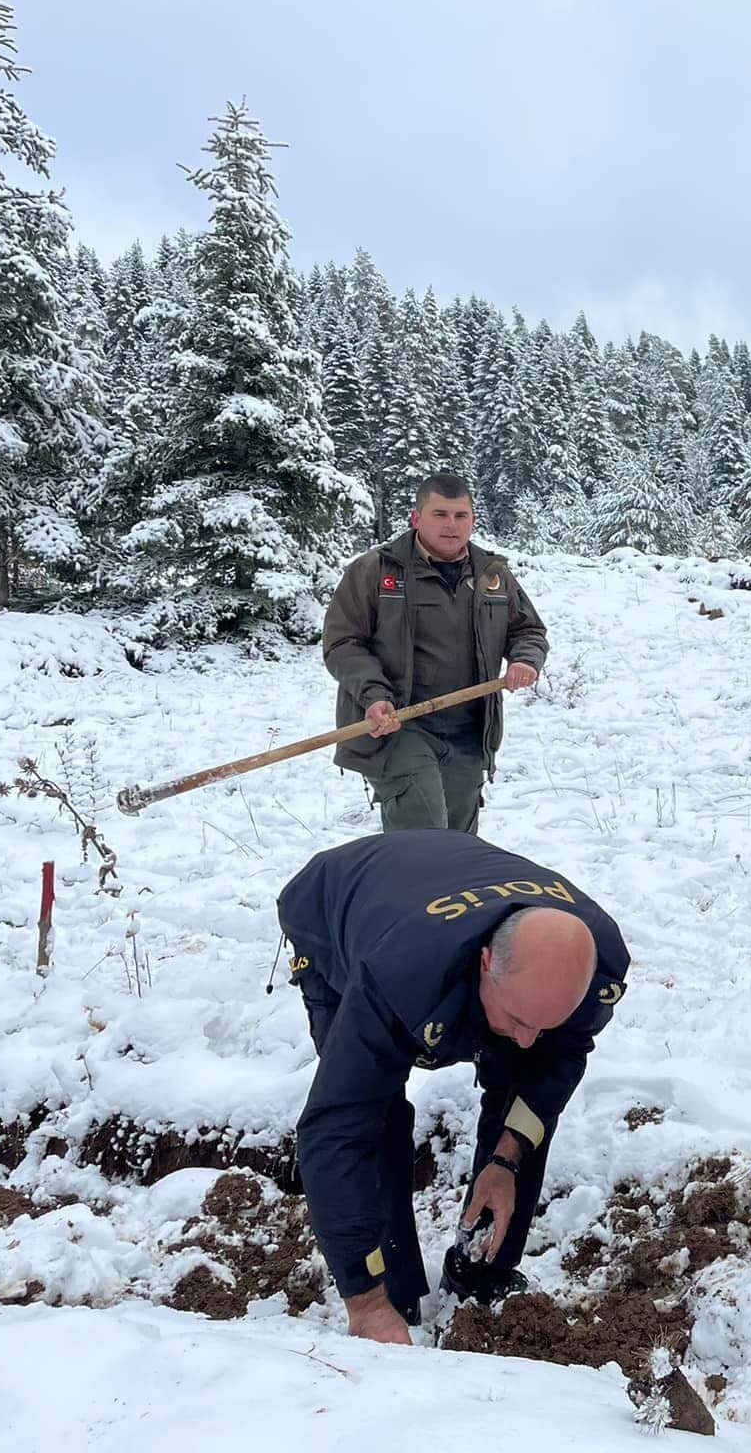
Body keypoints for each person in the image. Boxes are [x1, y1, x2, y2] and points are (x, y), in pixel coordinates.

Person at [278, 829, 630, 1342]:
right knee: (373, 1120)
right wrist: (365, 1299)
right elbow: (335, 1127)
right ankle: (389, 1293)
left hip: (441, 880)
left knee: (524, 1084)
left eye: (547, 1023)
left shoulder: (594, 966)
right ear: (486, 963)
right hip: (336, 904)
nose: (529, 1039)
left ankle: (480, 1270)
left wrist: (506, 1160)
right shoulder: (397, 975)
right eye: (518, 1017)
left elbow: (553, 1065)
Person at [322, 474, 548, 833]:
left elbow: (528, 630)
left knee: (459, 842)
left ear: (473, 520)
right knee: (422, 834)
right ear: (416, 518)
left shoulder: (493, 575)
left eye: (461, 516)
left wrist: (525, 659)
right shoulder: (375, 571)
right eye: (440, 514)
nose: (451, 525)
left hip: (470, 731)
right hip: (399, 725)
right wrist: (374, 696)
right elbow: (343, 643)